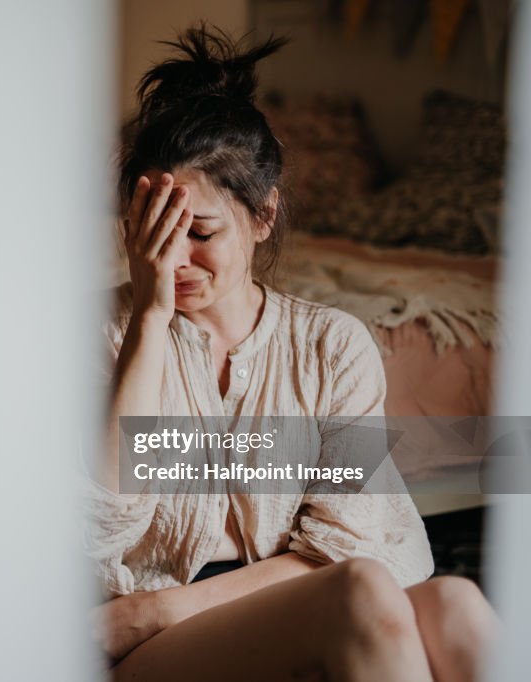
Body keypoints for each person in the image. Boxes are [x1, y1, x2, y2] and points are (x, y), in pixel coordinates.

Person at [86, 27, 499, 682]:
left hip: (172, 614)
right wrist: (150, 318)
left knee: (457, 603)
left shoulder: (335, 347)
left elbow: (347, 538)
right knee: (358, 593)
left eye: (200, 232)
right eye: (153, 231)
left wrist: (161, 610)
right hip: (137, 646)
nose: (176, 259)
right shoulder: (98, 338)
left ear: (263, 215)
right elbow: (95, 528)